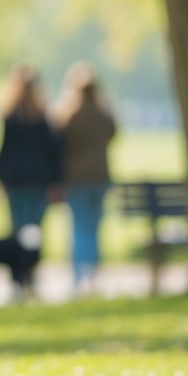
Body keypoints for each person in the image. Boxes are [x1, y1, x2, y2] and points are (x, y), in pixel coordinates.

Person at [54, 62, 117, 296]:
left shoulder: (69, 115)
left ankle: (80, 275)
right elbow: (113, 135)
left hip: (76, 178)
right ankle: (93, 274)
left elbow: (59, 143)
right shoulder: (104, 114)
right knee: (94, 226)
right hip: (100, 176)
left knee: (79, 227)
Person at [0, 64, 61, 233]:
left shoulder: (10, 117)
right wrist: (57, 180)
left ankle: (19, 259)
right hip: (40, 178)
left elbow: (5, 149)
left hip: (15, 178)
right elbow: (53, 151)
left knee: (18, 227)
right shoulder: (44, 117)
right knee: (35, 229)